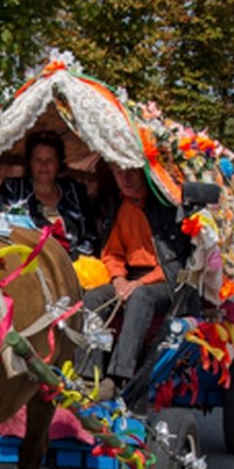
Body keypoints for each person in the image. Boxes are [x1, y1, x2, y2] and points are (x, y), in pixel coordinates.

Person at [81, 164, 185, 400]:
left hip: (165, 281)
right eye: (119, 173)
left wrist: (138, 284)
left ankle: (118, 377)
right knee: (93, 298)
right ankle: (88, 374)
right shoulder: (120, 206)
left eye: (130, 172)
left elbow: (175, 263)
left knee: (140, 297)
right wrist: (118, 279)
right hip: (129, 277)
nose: (125, 178)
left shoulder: (166, 207)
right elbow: (112, 253)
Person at [0, 130, 97, 257]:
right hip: (27, 262)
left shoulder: (74, 191)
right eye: (38, 160)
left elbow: (90, 237)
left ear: (58, 163)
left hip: (72, 265)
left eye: (49, 160)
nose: (43, 166)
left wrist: (73, 261)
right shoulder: (14, 189)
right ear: (30, 163)